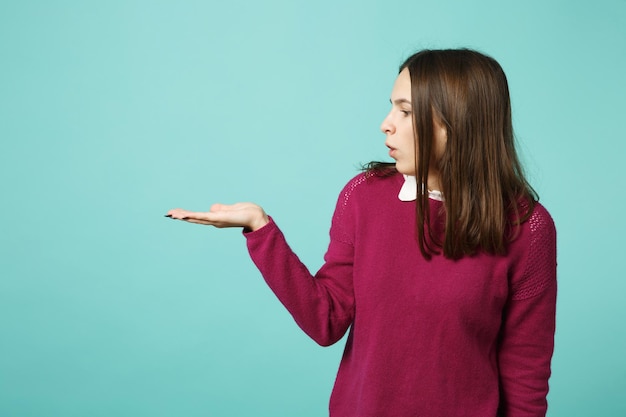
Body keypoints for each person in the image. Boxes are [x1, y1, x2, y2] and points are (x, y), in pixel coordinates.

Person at [166, 48, 557, 417]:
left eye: (405, 111)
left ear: (456, 123)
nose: (386, 124)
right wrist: (260, 228)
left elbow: (525, 371)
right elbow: (326, 320)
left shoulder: (528, 228)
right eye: (392, 107)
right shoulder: (364, 195)